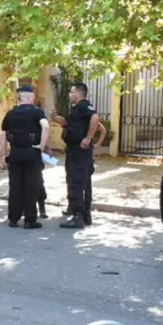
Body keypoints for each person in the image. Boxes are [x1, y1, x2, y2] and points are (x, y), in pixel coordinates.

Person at [49, 82, 100, 228]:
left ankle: (79, 217)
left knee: (77, 183)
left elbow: (95, 118)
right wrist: (55, 117)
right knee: (76, 181)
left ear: (77, 93)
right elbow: (66, 122)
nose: (69, 94)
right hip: (73, 151)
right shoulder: (76, 109)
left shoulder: (84, 106)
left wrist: (88, 138)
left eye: (71, 92)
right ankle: (81, 214)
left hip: (80, 152)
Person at [0, 85, 49, 229]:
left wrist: (3, 154)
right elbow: (45, 127)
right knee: (31, 186)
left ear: (19, 99)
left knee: (15, 185)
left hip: (15, 153)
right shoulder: (37, 112)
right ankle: (30, 220)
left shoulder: (10, 113)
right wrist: (41, 146)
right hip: (31, 152)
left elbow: (2, 135)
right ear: (31, 98)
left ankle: (13, 219)